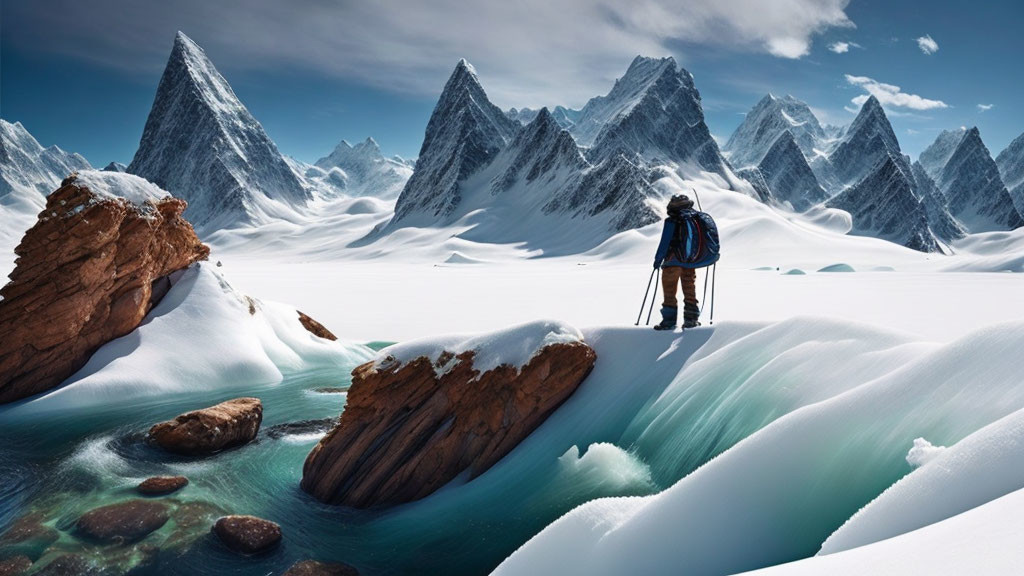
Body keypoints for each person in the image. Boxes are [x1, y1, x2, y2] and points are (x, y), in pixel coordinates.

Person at [652, 194, 701, 330]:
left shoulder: (671, 221)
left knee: (669, 292)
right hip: (690, 262)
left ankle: (669, 322)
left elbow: (665, 242)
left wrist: (657, 260)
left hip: (672, 262)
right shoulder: (694, 220)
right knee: (690, 290)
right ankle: (691, 320)